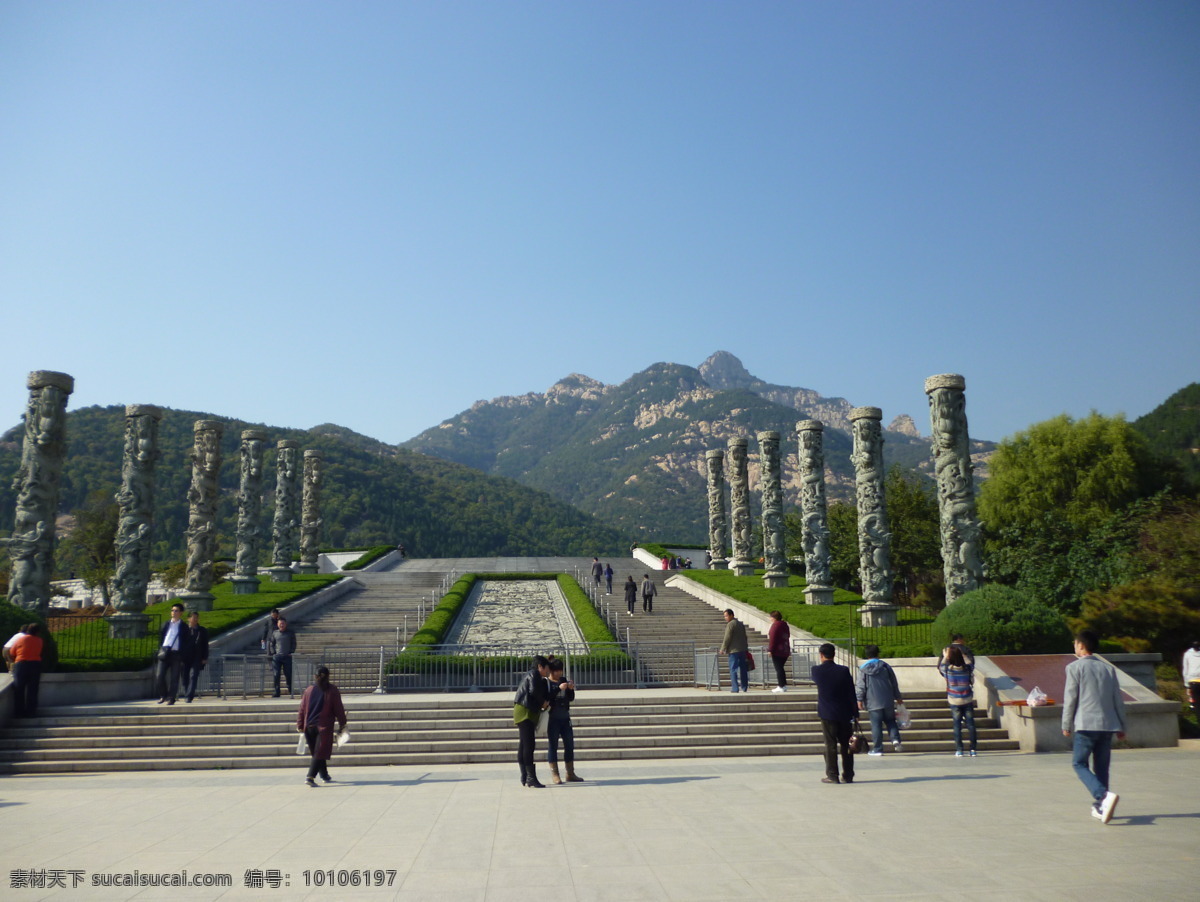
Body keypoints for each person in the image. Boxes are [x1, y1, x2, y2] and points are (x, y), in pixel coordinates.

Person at [1062, 629, 1126, 824]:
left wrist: (1066, 723)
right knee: (1102, 766)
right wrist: (1122, 725)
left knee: (1078, 763)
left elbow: (1071, 697)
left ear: (1081, 645)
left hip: (1086, 724)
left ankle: (1102, 796)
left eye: (1075, 644)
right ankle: (1102, 807)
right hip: (1107, 724)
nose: (1074, 647)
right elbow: (1118, 699)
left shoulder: (1074, 668)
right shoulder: (1108, 669)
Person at [811, 643, 856, 784]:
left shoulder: (816, 670)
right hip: (845, 712)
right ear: (834, 654)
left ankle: (832, 774)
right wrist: (855, 713)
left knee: (830, 745)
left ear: (821, 655)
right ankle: (848, 775)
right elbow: (851, 692)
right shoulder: (843, 670)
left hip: (827, 713)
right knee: (845, 745)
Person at [296, 665, 348, 787]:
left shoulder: (309, 690)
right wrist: (343, 723)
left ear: (315, 676)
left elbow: (301, 709)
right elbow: (338, 709)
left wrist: (299, 724)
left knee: (318, 751)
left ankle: (324, 774)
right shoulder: (332, 690)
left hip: (308, 727)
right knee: (318, 753)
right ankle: (310, 777)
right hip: (322, 727)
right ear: (328, 676)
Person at [856, 644, 903, 754]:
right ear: (878, 653)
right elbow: (894, 683)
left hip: (872, 702)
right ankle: (896, 740)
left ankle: (877, 749)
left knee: (876, 725)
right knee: (891, 721)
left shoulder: (863, 669)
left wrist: (859, 700)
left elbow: (860, 686)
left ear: (867, 655)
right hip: (887, 700)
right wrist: (898, 697)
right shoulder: (886, 666)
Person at [513, 655, 552, 787]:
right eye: (547, 668)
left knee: (524, 744)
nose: (548, 671)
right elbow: (533, 691)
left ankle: (525, 776)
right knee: (529, 745)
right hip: (526, 712)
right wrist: (543, 704)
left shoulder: (532, 675)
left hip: (522, 711)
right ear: (540, 667)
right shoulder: (534, 673)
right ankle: (530, 777)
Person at [546, 657, 584, 784]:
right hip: (552, 719)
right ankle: (555, 773)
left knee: (569, 745)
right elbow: (548, 697)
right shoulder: (546, 683)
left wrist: (570, 689)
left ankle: (570, 773)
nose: (558, 673)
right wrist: (559, 688)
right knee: (553, 746)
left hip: (565, 718)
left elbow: (570, 698)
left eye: (560, 671)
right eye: (556, 671)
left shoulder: (563, 680)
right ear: (551, 671)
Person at [939, 645, 977, 756]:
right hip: (967, 699)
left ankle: (959, 749)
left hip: (954, 700)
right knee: (971, 725)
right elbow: (971, 663)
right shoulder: (967, 669)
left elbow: (941, 666)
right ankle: (973, 749)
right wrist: (963, 654)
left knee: (957, 725)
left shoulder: (948, 670)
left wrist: (945, 656)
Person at [156, 603, 193, 705]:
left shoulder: (184, 626)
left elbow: (186, 642)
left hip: (176, 654)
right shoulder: (166, 624)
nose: (173, 612)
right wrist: (162, 648)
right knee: (159, 676)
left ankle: (171, 698)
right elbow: (161, 636)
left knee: (174, 678)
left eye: (176, 610)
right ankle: (163, 695)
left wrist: (183, 654)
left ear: (181, 613)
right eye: (172, 610)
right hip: (164, 652)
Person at [10, 623, 44, 718]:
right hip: (35, 664)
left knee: (19, 688)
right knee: (33, 688)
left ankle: (19, 712)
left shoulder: (21, 639)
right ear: (38, 632)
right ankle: (31, 711)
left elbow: (12, 651)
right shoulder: (39, 640)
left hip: (22, 664)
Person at [179, 611, 210, 703]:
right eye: (193, 617)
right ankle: (186, 693)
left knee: (193, 676)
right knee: (185, 677)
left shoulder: (202, 631)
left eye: (197, 617)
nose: (195, 619)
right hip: (185, 657)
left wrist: (205, 657)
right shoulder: (184, 630)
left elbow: (205, 645)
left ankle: (189, 696)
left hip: (197, 657)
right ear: (188, 619)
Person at [719, 609, 749, 693]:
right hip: (742, 650)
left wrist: (723, 648)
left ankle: (735, 688)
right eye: (724, 616)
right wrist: (746, 647)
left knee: (733, 669)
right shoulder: (740, 624)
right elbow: (745, 637)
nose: (725, 618)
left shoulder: (730, 624)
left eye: (726, 616)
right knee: (743, 669)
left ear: (732, 615)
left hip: (733, 650)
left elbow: (727, 638)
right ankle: (744, 687)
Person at [272, 617, 297, 697]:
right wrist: (273, 653)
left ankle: (290, 689)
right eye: (280, 623)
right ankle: (276, 691)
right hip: (277, 657)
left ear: (286, 624)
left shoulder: (290, 633)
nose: (281, 625)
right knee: (276, 674)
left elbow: (294, 643)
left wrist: (291, 652)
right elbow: (272, 644)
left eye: (283, 623)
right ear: (277, 624)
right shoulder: (275, 633)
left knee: (288, 674)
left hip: (287, 656)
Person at [768, 611, 791, 693]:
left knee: (779, 668)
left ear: (774, 618)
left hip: (778, 650)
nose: (770, 619)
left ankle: (781, 685)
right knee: (781, 668)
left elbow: (773, 639)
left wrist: (770, 650)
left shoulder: (775, 625)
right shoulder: (784, 625)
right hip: (785, 649)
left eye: (770, 617)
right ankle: (783, 685)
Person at [1183, 640, 1200, 720]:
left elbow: (1185, 670)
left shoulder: (1187, 654)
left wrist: (1187, 685)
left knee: (1196, 705)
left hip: (1192, 681)